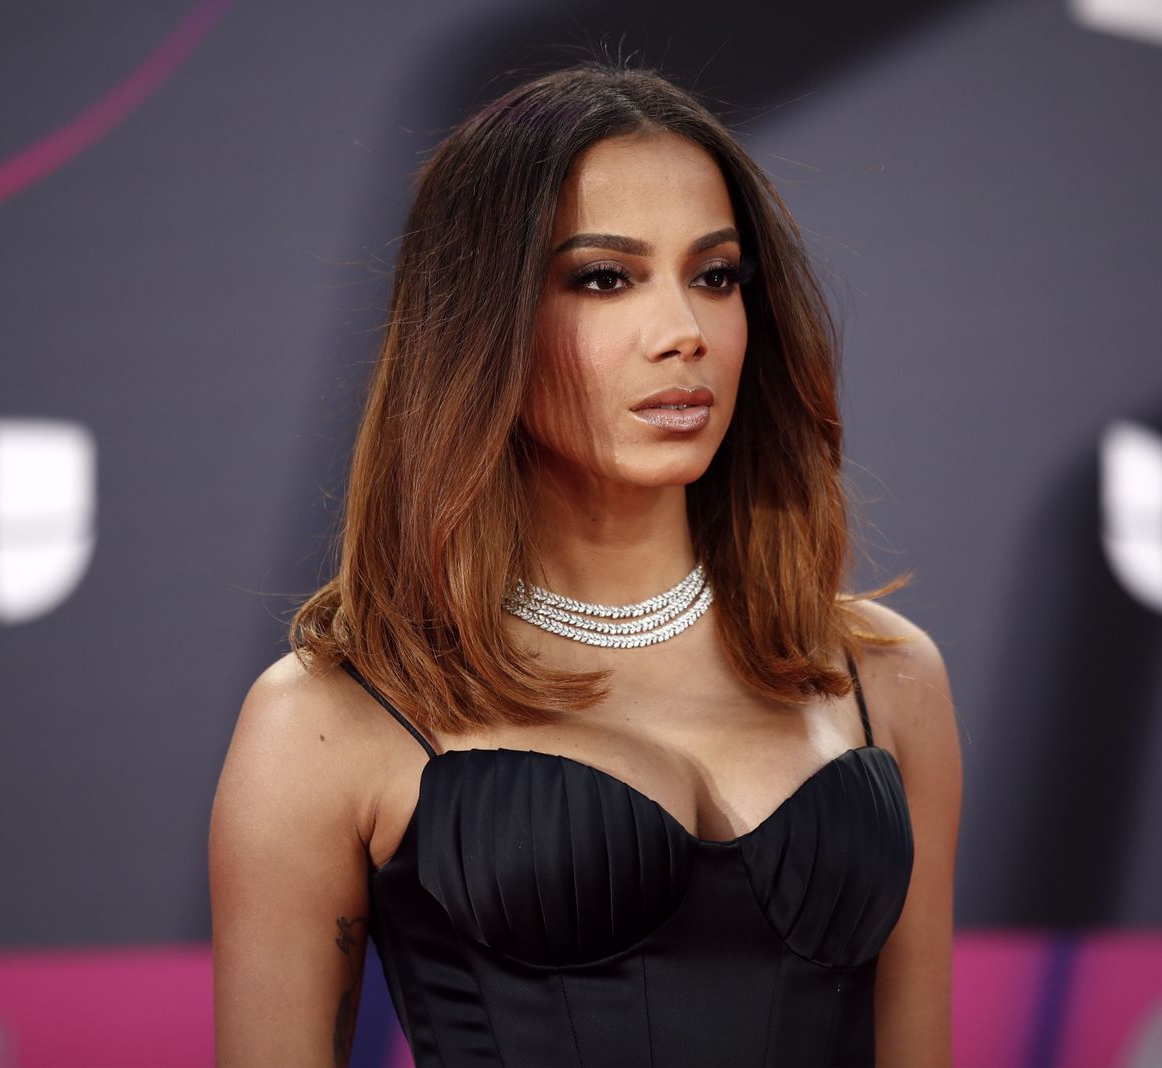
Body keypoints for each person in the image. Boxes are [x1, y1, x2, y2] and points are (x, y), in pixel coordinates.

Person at [209, 60, 962, 1067]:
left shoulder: (885, 677)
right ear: (480, 323)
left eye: (716, 275)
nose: (684, 333)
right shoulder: (331, 718)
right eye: (604, 278)